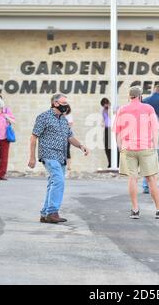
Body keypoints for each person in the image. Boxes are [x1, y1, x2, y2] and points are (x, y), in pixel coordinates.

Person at [28, 94, 89, 224]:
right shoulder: (43, 117)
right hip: (48, 154)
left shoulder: (63, 120)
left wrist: (81, 146)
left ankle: (45, 214)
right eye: (63, 103)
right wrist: (32, 157)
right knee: (59, 181)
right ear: (55, 103)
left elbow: (70, 137)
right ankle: (52, 212)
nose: (66, 105)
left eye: (66, 103)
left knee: (53, 183)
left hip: (61, 156)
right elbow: (33, 137)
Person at [114, 86, 159, 219]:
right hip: (146, 147)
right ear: (140, 96)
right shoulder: (148, 108)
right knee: (151, 178)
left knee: (132, 178)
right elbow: (156, 129)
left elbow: (117, 131)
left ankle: (135, 210)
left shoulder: (122, 110)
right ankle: (158, 209)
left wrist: (120, 146)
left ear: (129, 96)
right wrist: (155, 147)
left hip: (128, 148)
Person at [100, 97, 119, 168]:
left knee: (115, 146)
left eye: (106, 104)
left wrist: (111, 109)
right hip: (107, 128)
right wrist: (103, 122)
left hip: (113, 129)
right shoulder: (104, 110)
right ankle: (110, 162)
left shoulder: (114, 108)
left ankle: (117, 163)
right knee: (107, 147)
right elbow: (104, 119)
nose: (105, 106)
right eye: (104, 105)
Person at [65, 103, 73, 170]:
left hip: (67, 135)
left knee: (67, 150)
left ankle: (69, 166)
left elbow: (70, 125)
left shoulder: (69, 116)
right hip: (60, 136)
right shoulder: (60, 115)